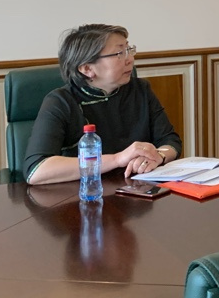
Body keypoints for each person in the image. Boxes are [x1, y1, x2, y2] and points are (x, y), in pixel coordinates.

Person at [24, 24, 182, 185]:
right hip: (84, 193)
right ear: (87, 69)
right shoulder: (60, 101)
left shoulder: (140, 89)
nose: (130, 59)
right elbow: (37, 170)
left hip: (137, 189)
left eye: (128, 50)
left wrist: (159, 156)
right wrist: (117, 159)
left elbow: (170, 140)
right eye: (120, 53)